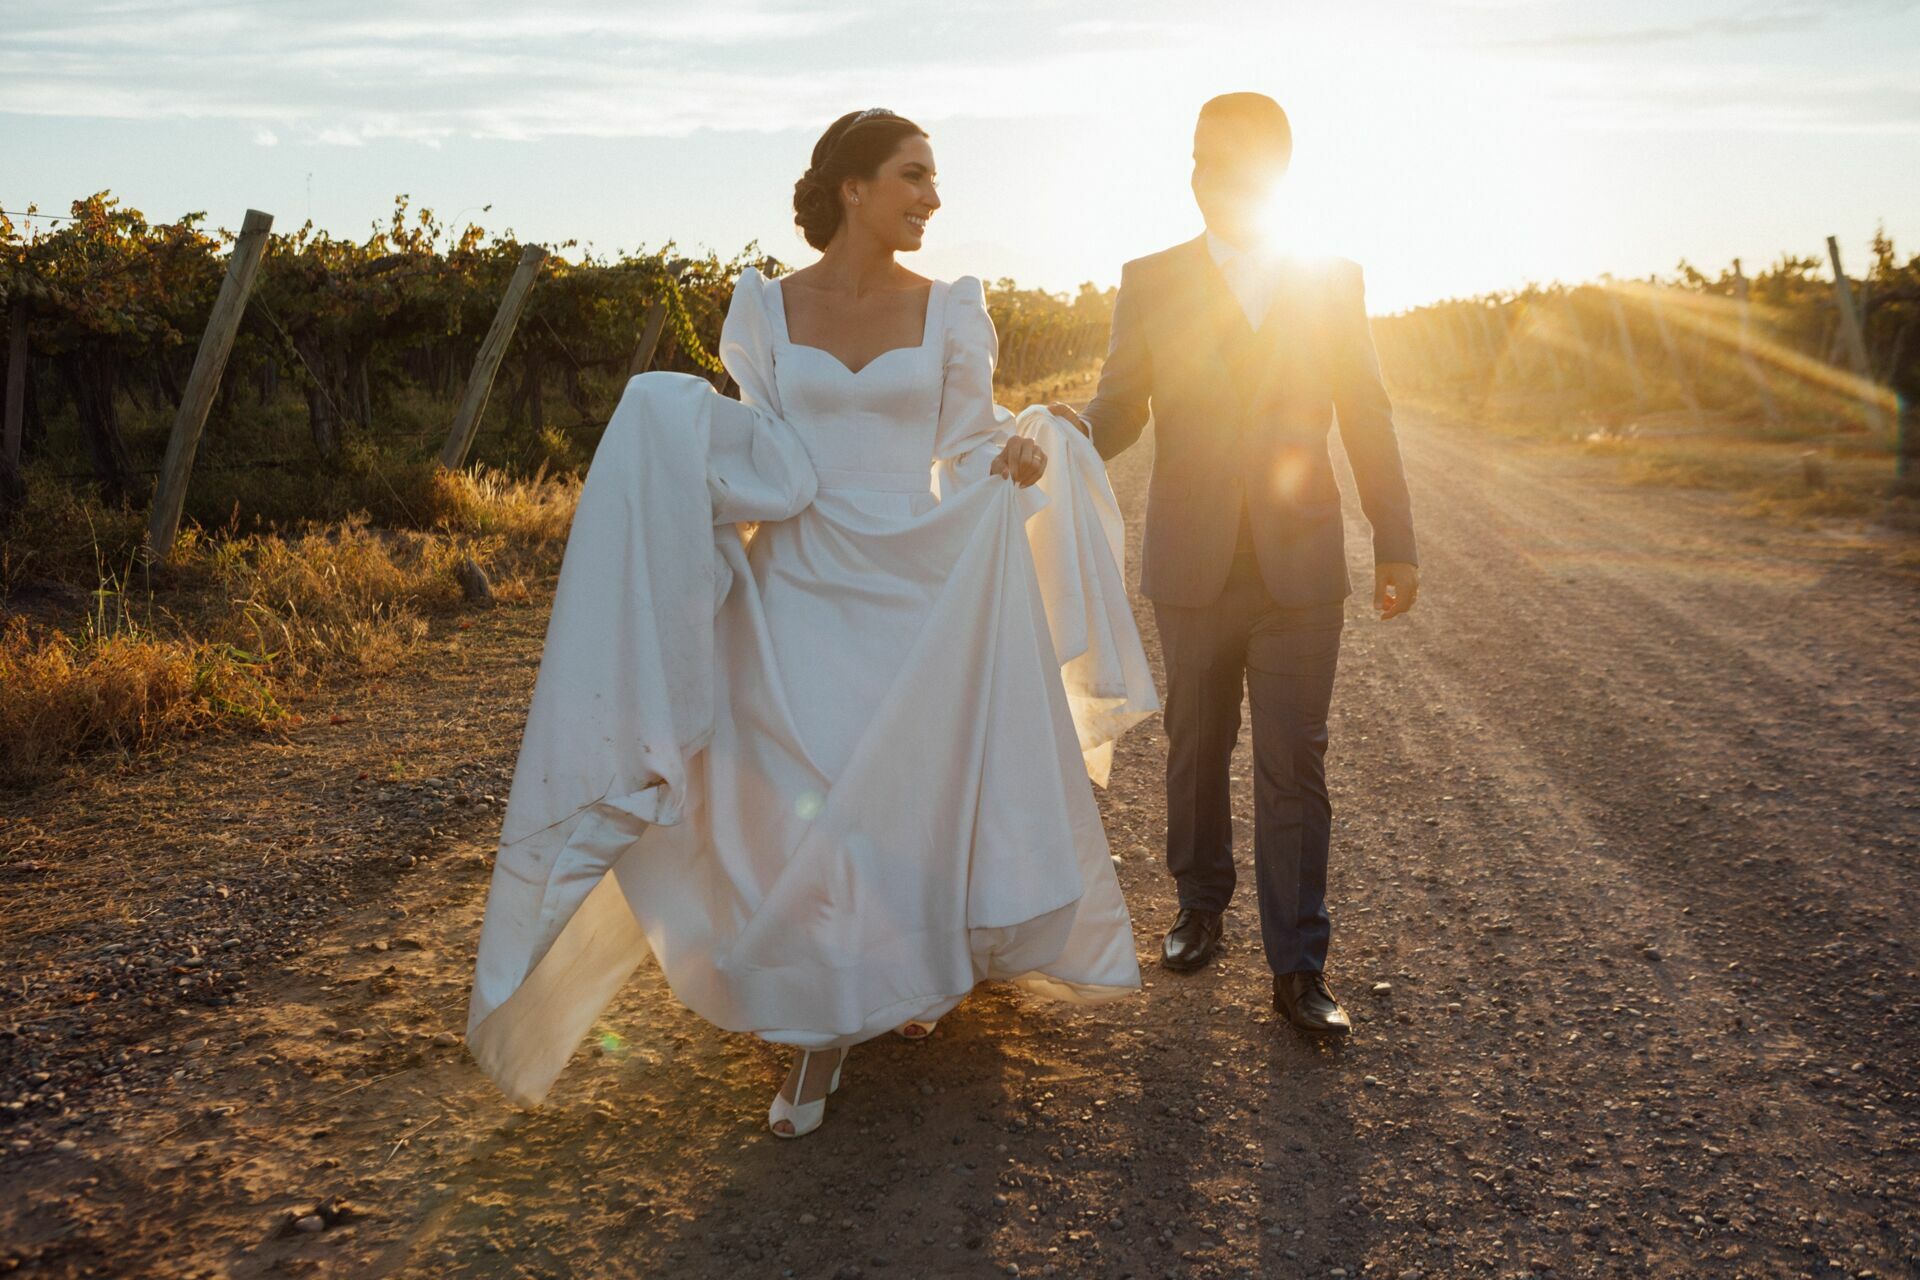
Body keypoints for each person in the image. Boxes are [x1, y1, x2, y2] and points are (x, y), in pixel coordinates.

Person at [465, 108, 1158, 1137]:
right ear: (852, 187)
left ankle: (860, 998)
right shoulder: (764, 310)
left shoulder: (954, 309)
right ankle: (823, 1016)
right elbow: (765, 449)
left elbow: (966, 447)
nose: (932, 197)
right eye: (914, 176)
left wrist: (1015, 453)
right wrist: (674, 424)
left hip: (914, 579)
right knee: (800, 801)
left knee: (890, 802)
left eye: (934, 180)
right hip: (795, 579)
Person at [1054, 92, 1420, 1038]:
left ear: (1278, 171)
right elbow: (1122, 404)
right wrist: (1071, 435)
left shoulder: (1331, 280)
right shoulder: (1153, 278)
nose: (1208, 172)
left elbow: (1366, 411)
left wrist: (1396, 536)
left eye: (1232, 157)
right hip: (1193, 556)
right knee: (1195, 742)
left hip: (1301, 568)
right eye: (1198, 154)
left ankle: (1300, 967)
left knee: (1294, 762)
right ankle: (1198, 905)